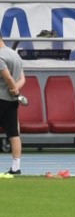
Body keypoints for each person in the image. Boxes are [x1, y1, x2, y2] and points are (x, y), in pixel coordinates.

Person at [0, 36, 26, 177]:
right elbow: (22, 78)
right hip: (12, 101)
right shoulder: (15, 54)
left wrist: (13, 87)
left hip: (1, 98)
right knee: (13, 133)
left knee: (13, 133)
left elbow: (8, 77)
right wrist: (16, 90)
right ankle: (16, 168)